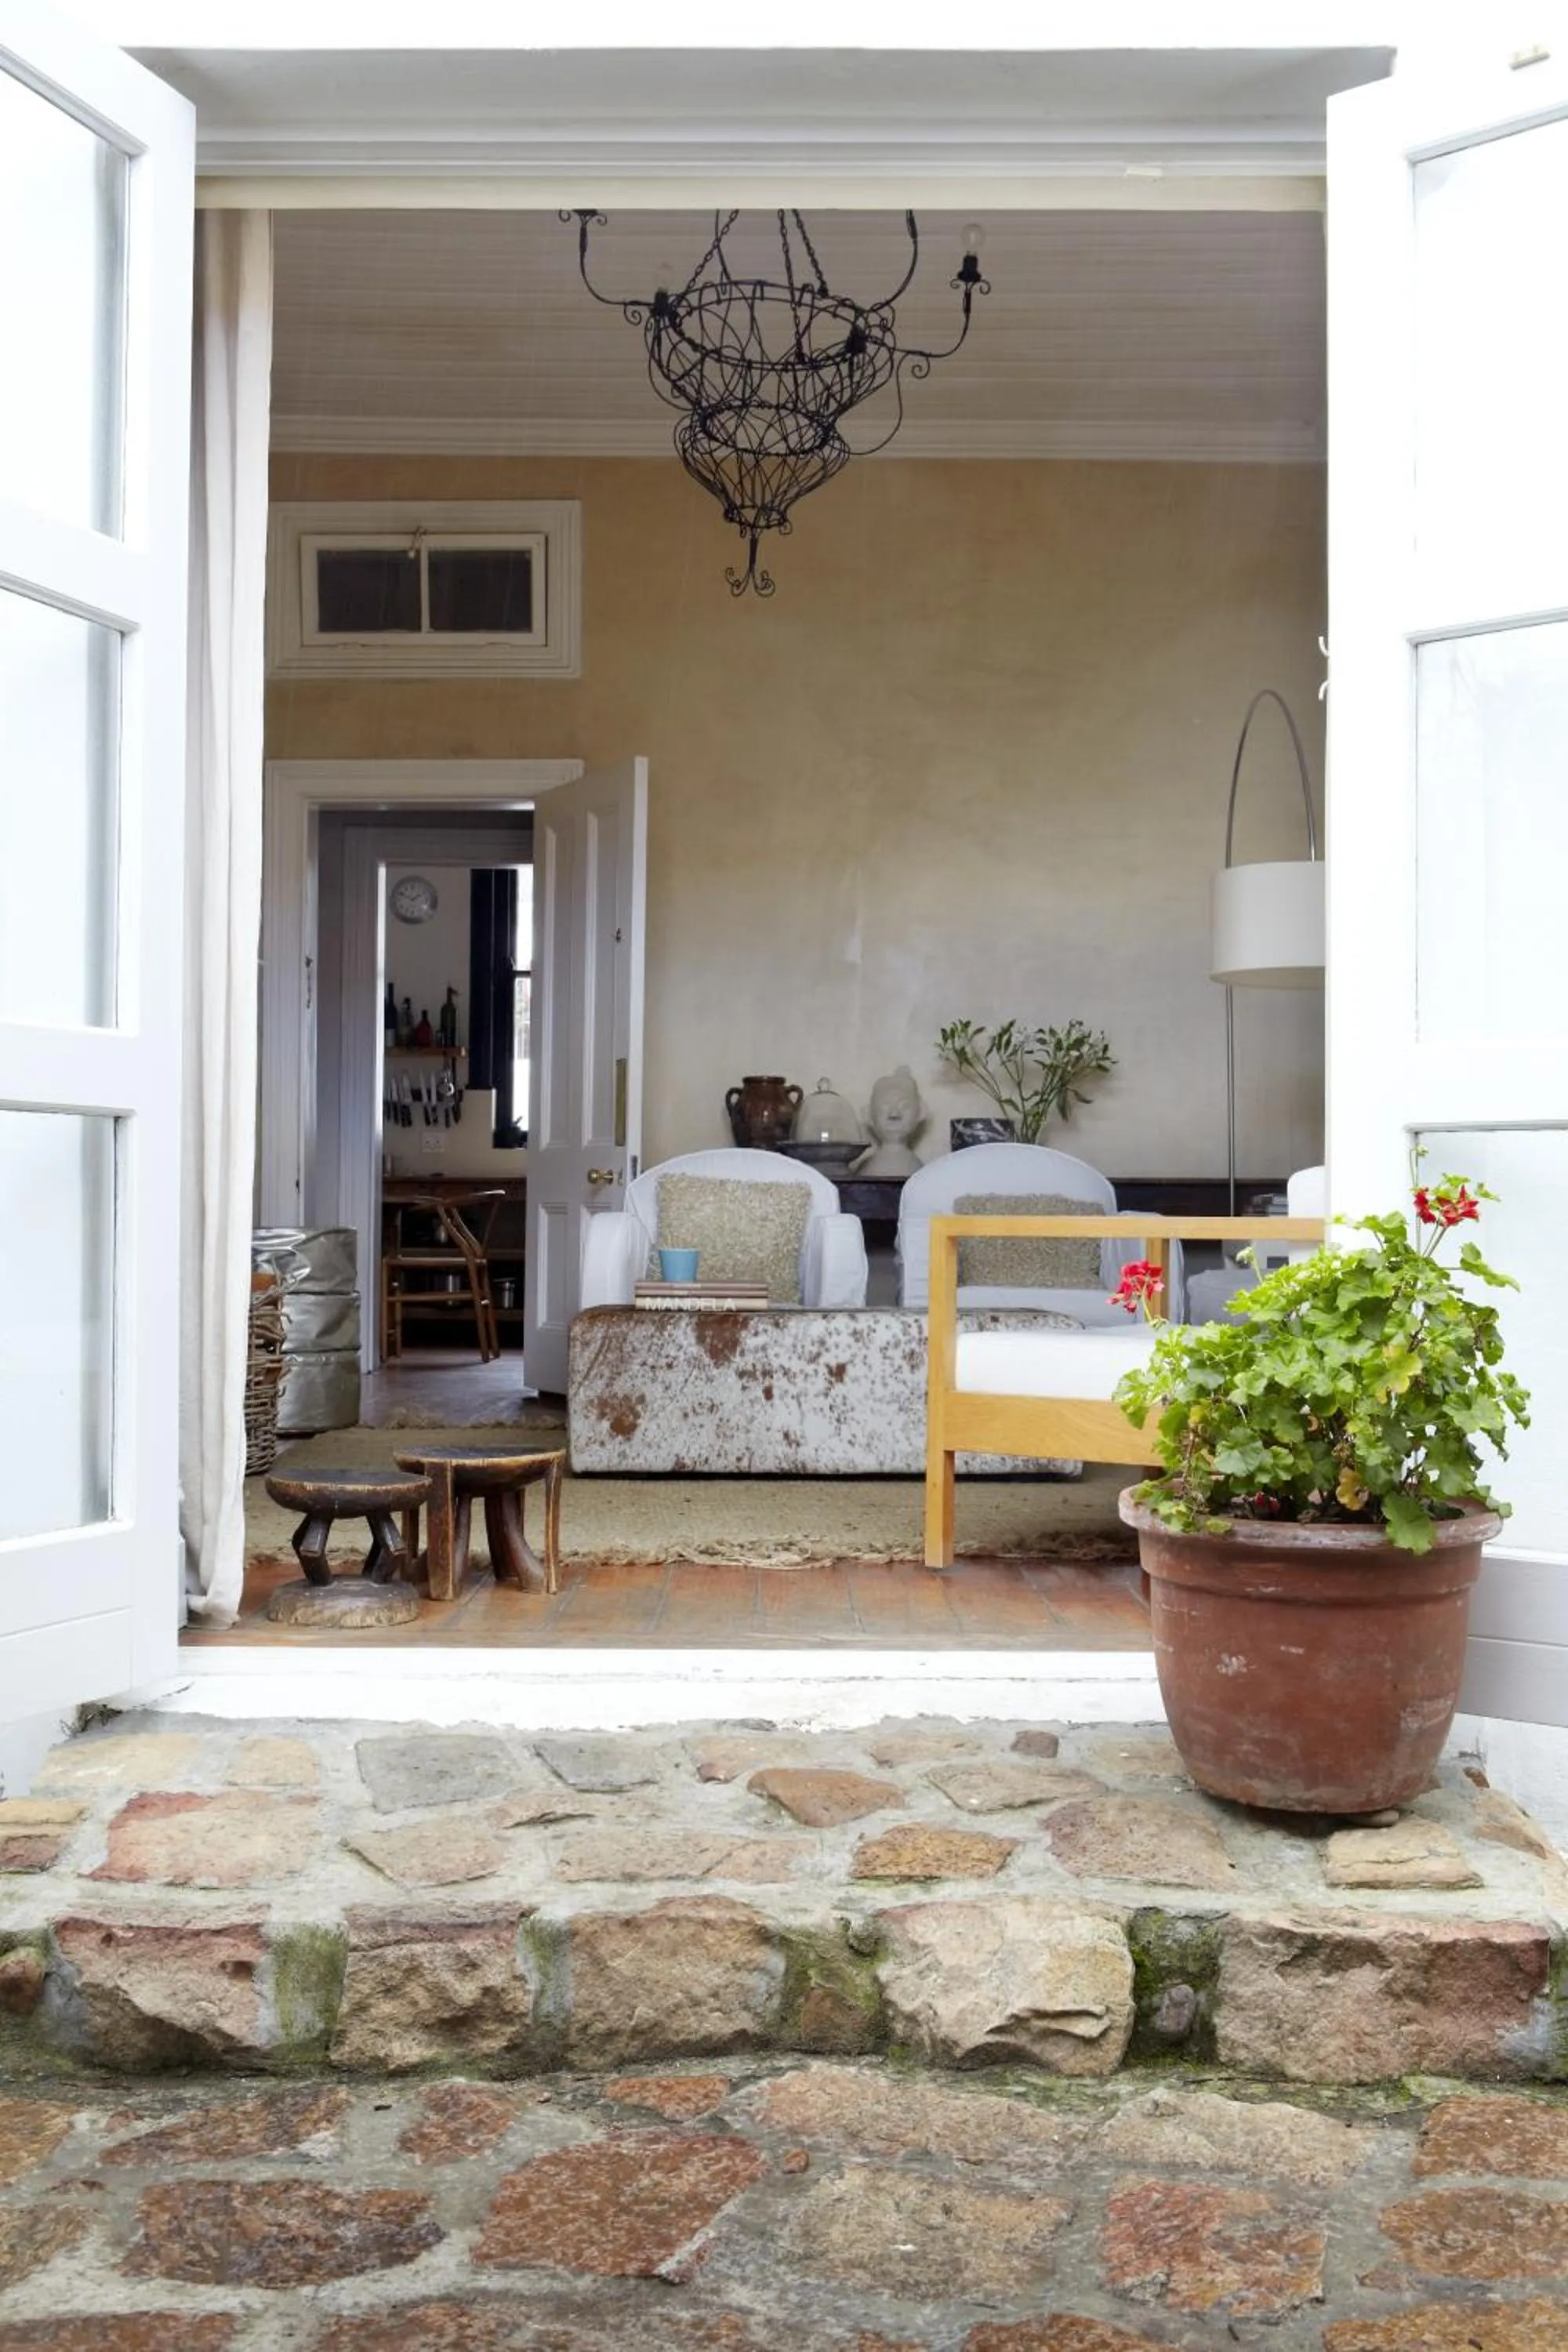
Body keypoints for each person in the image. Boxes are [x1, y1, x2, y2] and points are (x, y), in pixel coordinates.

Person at [854, 1065, 924, 1176]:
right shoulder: (867, 1168)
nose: (894, 1114)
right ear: (867, 1114)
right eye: (885, 1106)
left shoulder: (919, 1170)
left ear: (922, 1112)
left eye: (904, 1106)